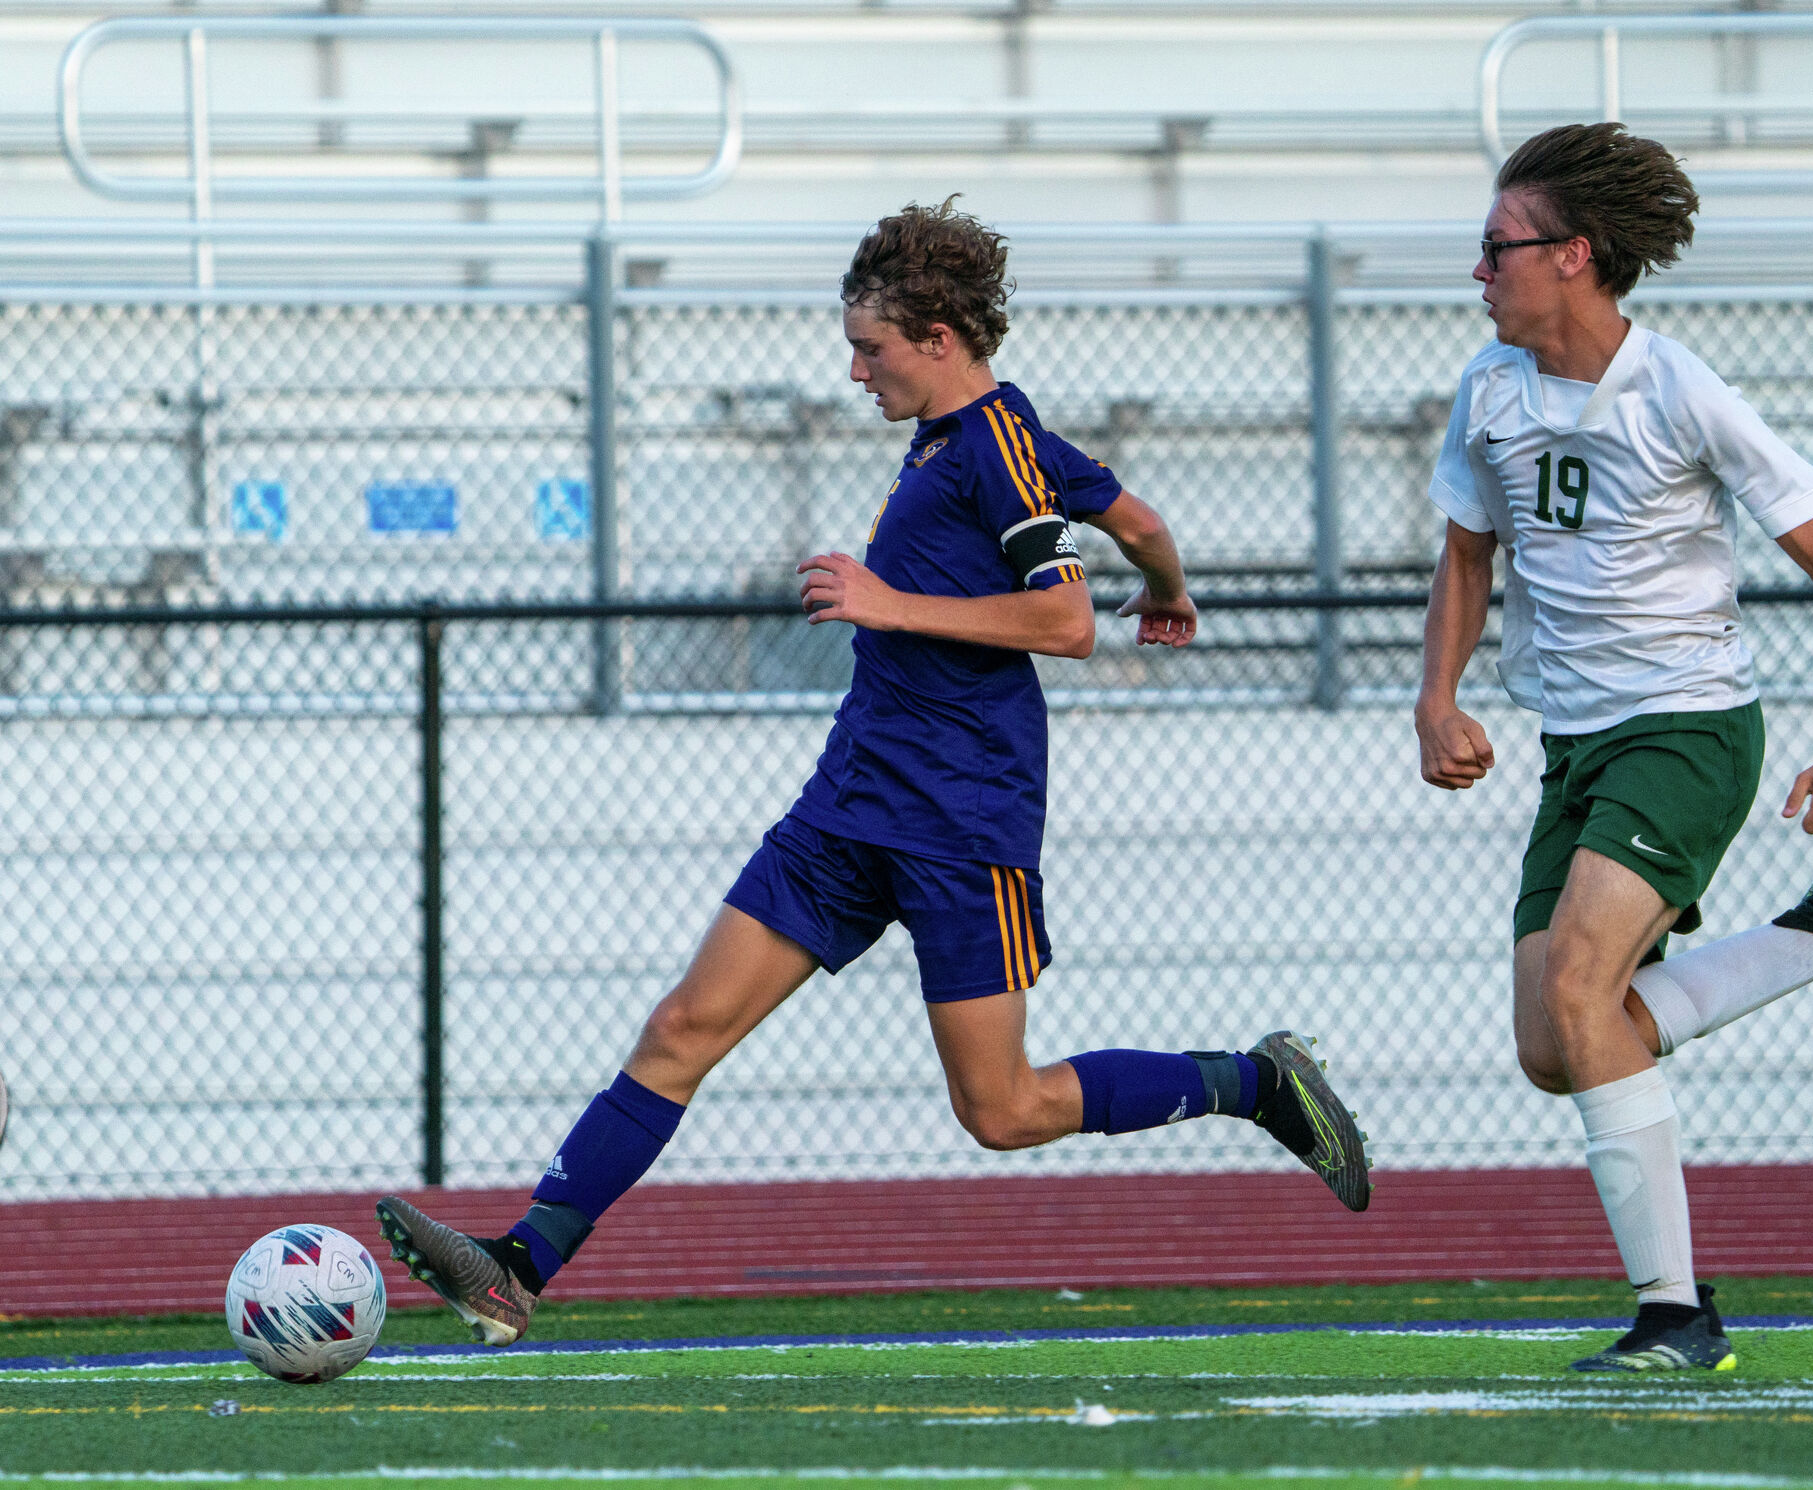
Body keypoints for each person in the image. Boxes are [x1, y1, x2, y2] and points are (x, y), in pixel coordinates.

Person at [377, 199, 1372, 1346]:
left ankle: (1254, 1081)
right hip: (851, 800)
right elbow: (1135, 516)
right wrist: (1164, 581)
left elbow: (1063, 623)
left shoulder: (995, 446)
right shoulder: (972, 440)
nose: (853, 371)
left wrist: (887, 599)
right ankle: (517, 1265)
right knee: (680, 1026)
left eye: (871, 348)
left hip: (961, 816)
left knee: (1000, 1110)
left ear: (939, 335)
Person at [1415, 125, 1813, 1373]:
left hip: (1688, 729)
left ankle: (1674, 1312)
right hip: (1575, 746)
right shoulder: (1487, 391)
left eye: (1496, 248)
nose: (1475, 271)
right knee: (1554, 1043)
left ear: (1573, 256)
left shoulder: (1678, 389)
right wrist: (1434, 698)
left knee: (1583, 990)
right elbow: (1465, 555)